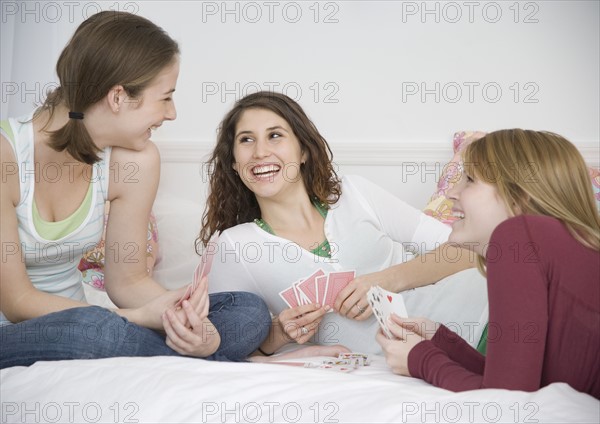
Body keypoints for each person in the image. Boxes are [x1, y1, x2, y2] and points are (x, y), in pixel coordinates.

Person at [0, 11, 270, 369]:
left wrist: (178, 312)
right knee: (99, 329)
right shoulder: (8, 156)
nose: (171, 113)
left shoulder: (133, 162)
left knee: (248, 312)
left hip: (96, 323)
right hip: (19, 332)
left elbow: (127, 283)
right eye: (166, 97)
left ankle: (198, 352)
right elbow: (17, 302)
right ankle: (216, 364)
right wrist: (136, 318)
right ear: (118, 97)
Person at [199, 91, 482, 356]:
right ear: (234, 163)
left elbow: (473, 250)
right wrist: (279, 333)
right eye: (246, 140)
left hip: (484, 312)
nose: (260, 152)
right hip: (422, 357)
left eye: (275, 135)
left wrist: (385, 280)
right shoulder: (234, 246)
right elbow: (219, 345)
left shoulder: (355, 194)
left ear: (303, 151)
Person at [376, 129, 600, 399]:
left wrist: (419, 359)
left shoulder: (519, 235)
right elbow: (519, 379)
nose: (451, 194)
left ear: (518, 199)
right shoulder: (554, 245)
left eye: (469, 180)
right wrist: (440, 340)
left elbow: (506, 398)